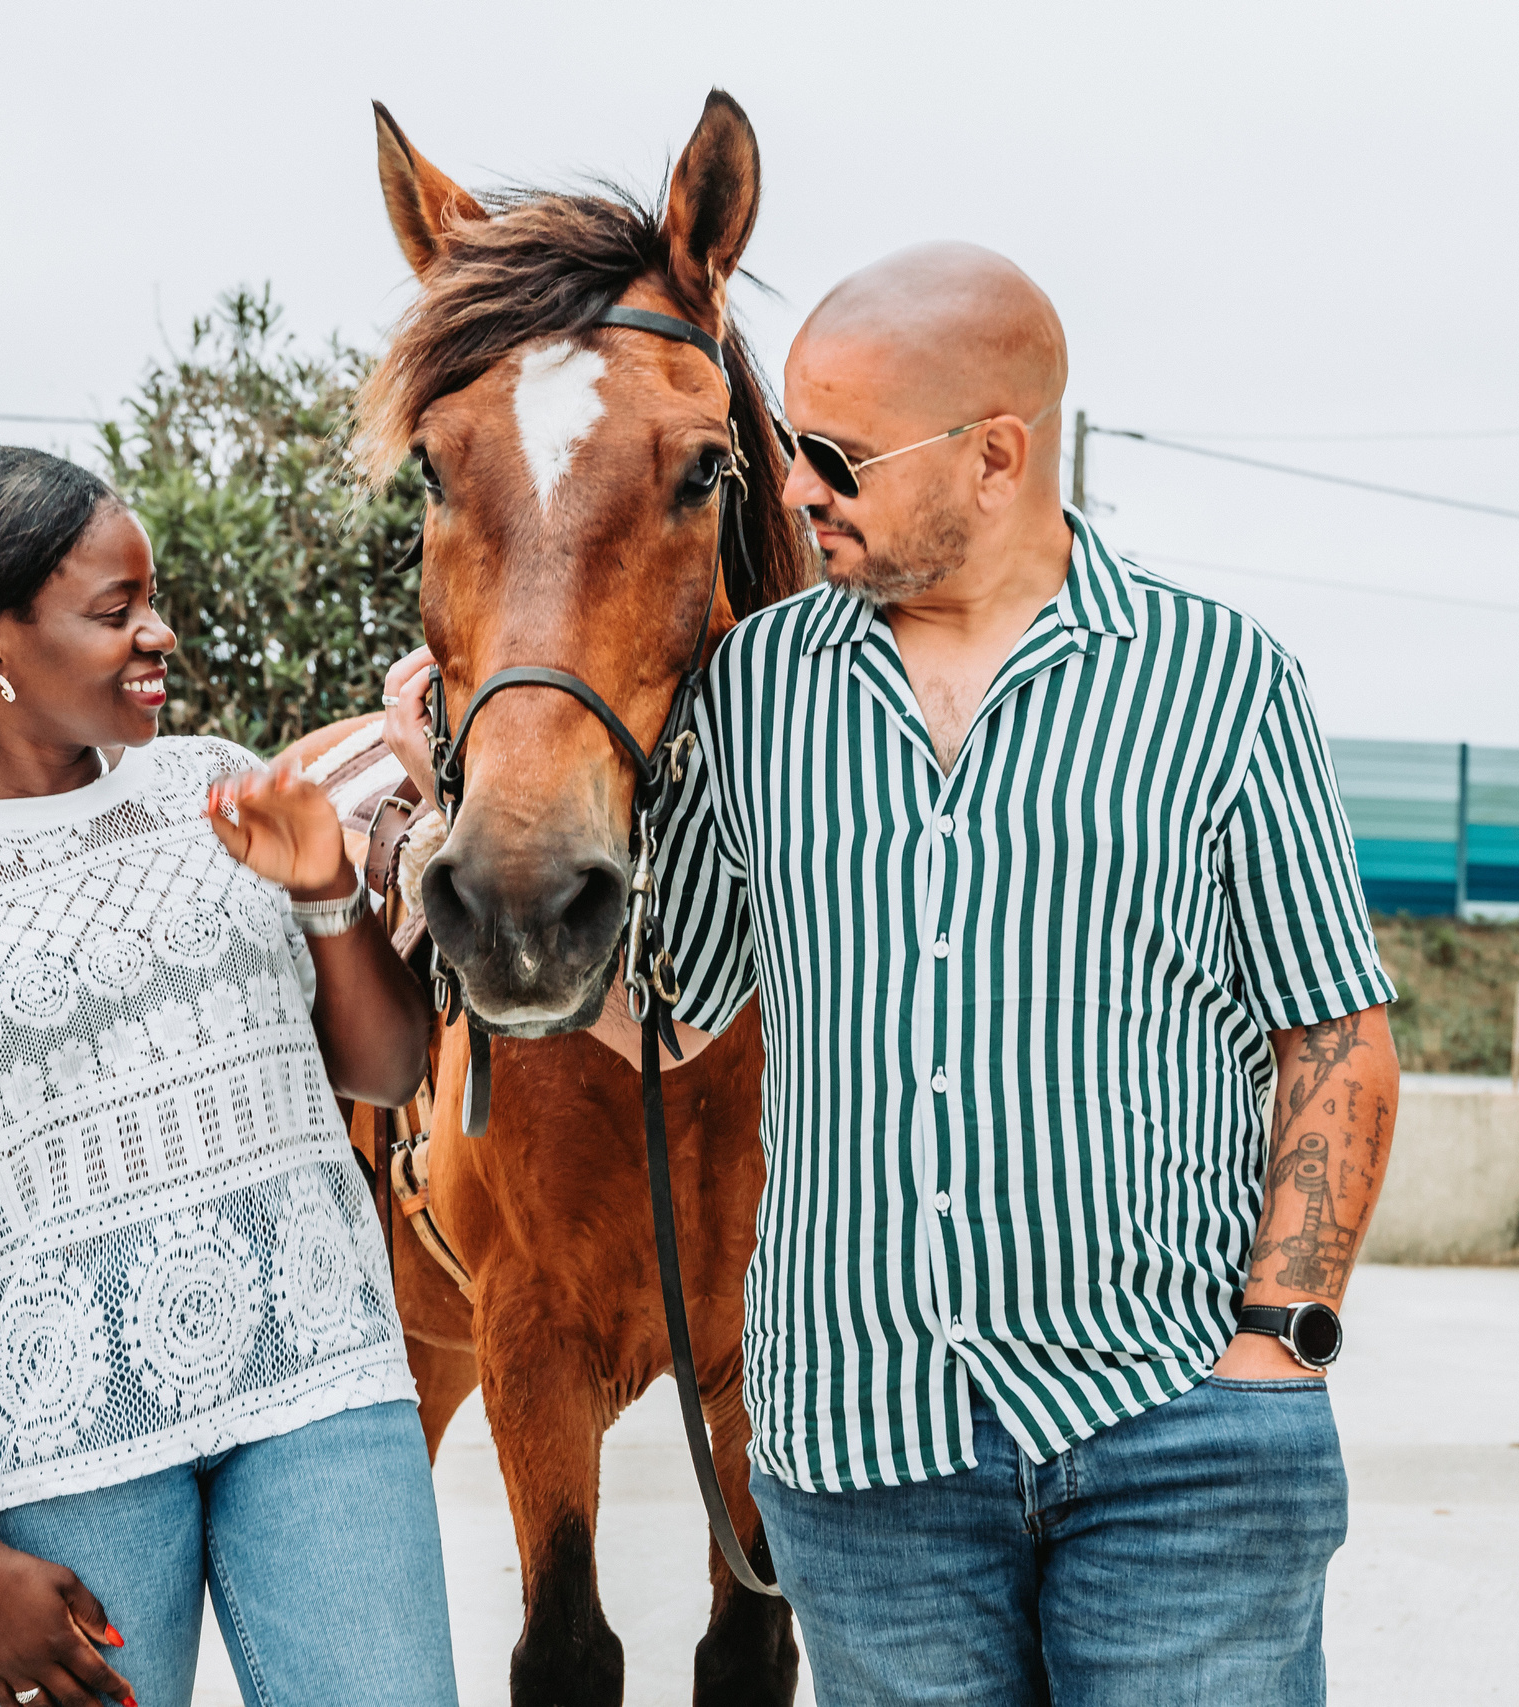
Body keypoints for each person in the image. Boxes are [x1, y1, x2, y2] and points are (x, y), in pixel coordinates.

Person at [392, 241, 1401, 1705]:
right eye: (781, 447)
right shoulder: (758, 688)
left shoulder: (1221, 682)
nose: (794, 488)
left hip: (1175, 1435)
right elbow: (678, 1013)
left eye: (834, 456)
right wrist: (425, 851)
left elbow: (1336, 1035)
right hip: (872, 1472)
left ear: (995, 457)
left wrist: (1281, 1346)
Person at [0, 445, 459, 1707]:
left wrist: (330, 894)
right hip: (70, 1436)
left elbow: (392, 1074)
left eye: (153, 600)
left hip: (324, 1385)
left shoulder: (218, 792)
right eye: (114, 611)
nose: (158, 634)